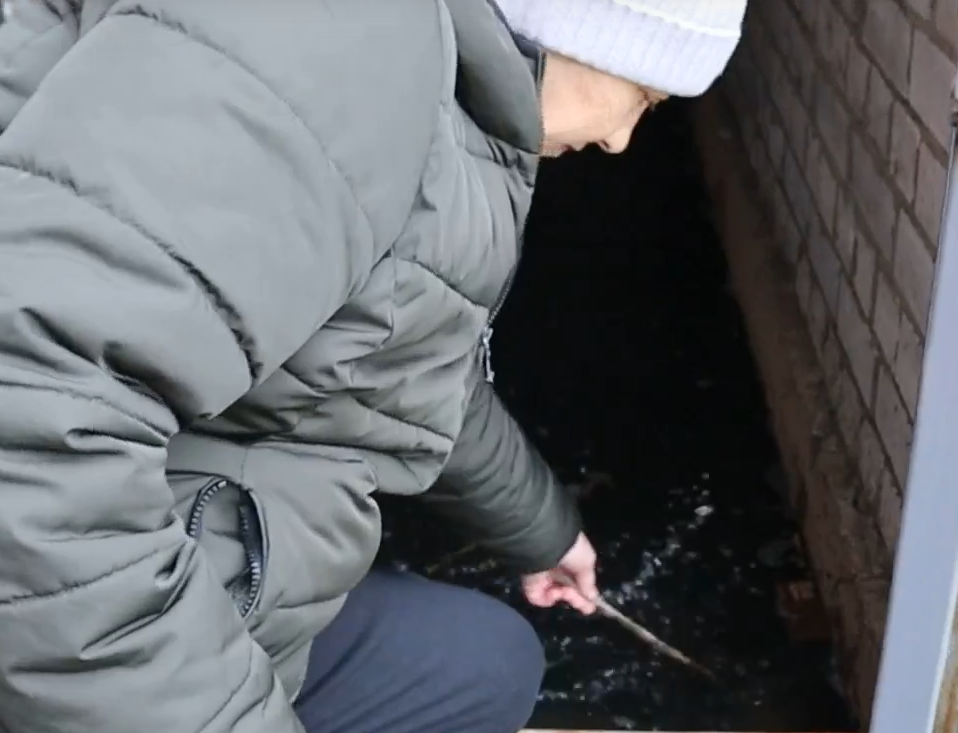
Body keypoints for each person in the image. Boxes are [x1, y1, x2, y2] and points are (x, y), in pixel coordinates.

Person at [0, 1, 745, 732]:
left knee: (484, 662)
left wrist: (541, 530)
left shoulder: (425, 91)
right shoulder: (339, 51)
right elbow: (31, 422)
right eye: (643, 98)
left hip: (157, 543)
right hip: (84, 598)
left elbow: (390, 355)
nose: (620, 139)